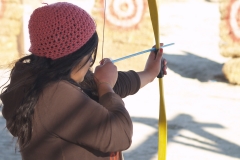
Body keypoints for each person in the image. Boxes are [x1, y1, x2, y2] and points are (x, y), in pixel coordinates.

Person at [0, 2, 167, 160]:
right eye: (89, 56)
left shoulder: (42, 77)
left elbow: (105, 87)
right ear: (74, 57)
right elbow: (120, 135)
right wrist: (105, 86)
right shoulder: (54, 94)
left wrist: (150, 73)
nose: (90, 63)